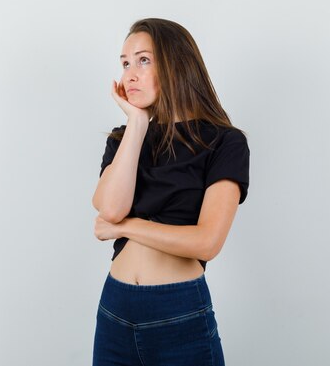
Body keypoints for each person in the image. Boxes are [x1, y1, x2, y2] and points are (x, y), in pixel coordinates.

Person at [91, 18, 250, 366]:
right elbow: (110, 208)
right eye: (125, 63)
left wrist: (125, 229)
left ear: (175, 63)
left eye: (143, 60)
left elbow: (207, 242)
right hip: (115, 308)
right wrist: (137, 122)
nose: (130, 74)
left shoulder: (225, 142)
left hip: (179, 311)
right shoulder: (123, 138)